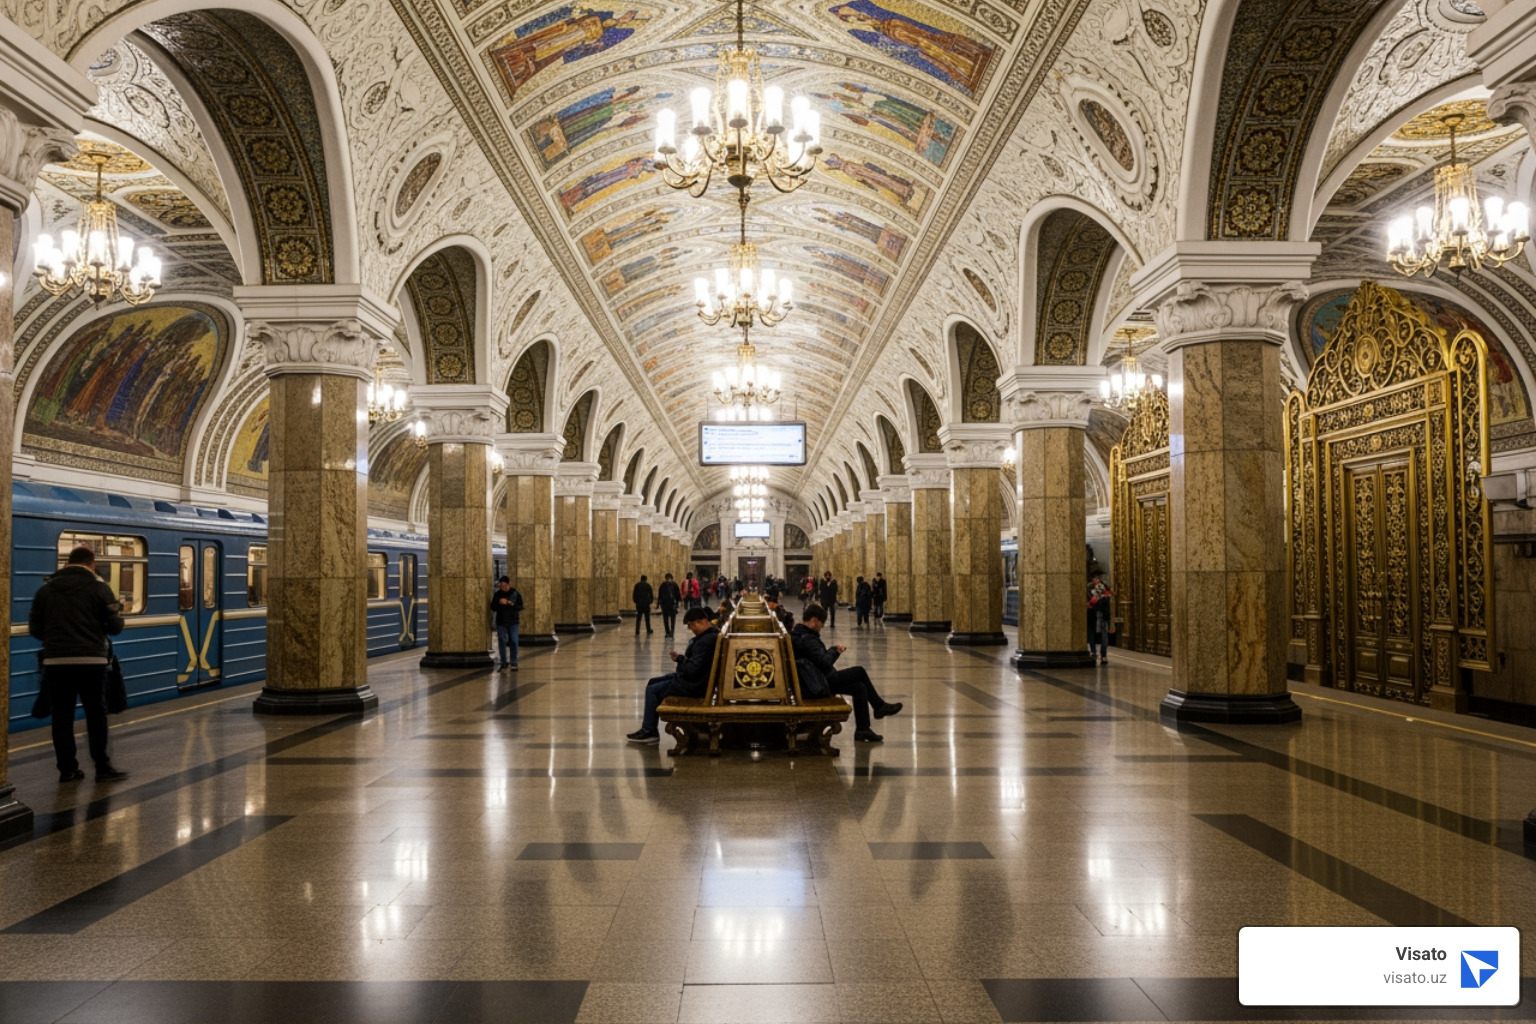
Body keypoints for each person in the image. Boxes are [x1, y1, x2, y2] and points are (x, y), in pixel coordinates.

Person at [30, 545, 127, 782]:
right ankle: (102, 768)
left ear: (67, 563)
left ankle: (67, 770)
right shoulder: (99, 588)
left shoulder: (46, 590)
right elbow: (115, 627)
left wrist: (58, 640)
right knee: (96, 714)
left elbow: (35, 629)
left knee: (62, 716)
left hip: (56, 662)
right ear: (91, 564)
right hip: (92, 661)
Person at [792, 604, 899, 742]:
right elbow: (824, 663)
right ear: (814, 620)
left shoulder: (797, 634)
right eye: (821, 623)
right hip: (818, 684)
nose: (822, 627)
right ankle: (879, 707)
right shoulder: (807, 638)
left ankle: (862, 730)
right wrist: (835, 651)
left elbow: (817, 659)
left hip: (810, 682)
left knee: (859, 687)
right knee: (859, 671)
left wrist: (830, 650)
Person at [627, 607, 720, 743]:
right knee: (652, 682)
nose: (691, 629)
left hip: (694, 686)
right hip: (695, 680)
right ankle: (649, 728)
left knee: (652, 690)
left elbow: (692, 670)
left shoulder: (706, 641)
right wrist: (680, 659)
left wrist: (680, 660)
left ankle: (649, 731)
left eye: (691, 625)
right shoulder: (708, 636)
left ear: (702, 621)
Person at [490, 575, 524, 669]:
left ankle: (514, 661)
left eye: (504, 585)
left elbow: (520, 606)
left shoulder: (515, 593)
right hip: (501, 621)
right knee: (502, 640)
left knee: (513, 640)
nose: (503, 587)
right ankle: (503, 661)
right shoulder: (497, 595)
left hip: (513, 622)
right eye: (501, 586)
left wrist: (511, 604)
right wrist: (499, 602)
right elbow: (493, 607)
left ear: (508, 584)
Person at [1088, 572, 1113, 664]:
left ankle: (1103, 655)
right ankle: (1094, 652)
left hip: (1102, 614)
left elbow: (1107, 599)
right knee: (1092, 634)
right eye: (1094, 579)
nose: (1095, 580)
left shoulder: (1104, 588)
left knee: (1104, 635)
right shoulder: (1089, 588)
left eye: (1097, 579)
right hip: (1092, 614)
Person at [658, 572, 682, 637]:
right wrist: (677, 604)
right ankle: (672, 631)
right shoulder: (674, 584)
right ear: (672, 578)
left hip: (665, 605)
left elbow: (659, 595)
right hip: (672, 605)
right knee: (673, 619)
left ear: (666, 578)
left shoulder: (662, 585)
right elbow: (678, 595)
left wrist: (658, 604)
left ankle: (667, 632)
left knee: (665, 619)